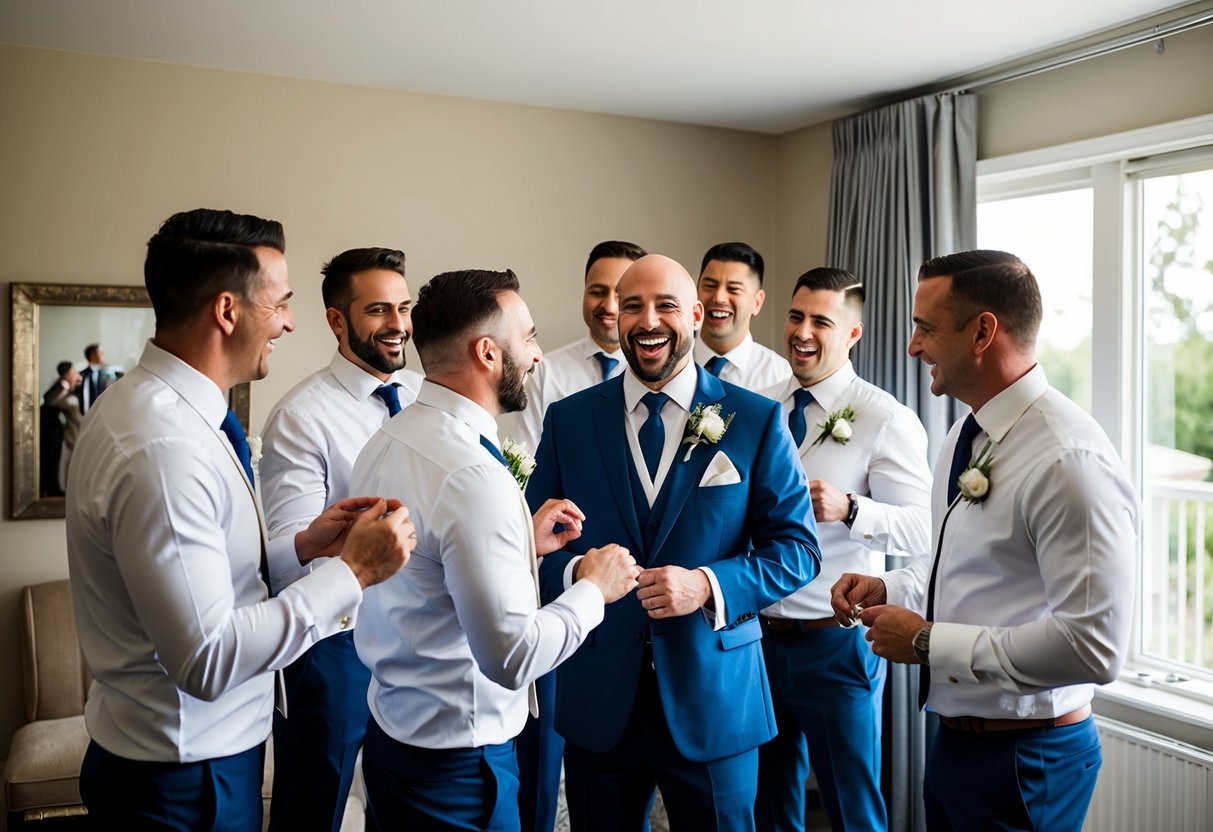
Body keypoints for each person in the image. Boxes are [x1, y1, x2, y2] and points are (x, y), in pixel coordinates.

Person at [65, 208, 415, 831]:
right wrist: (353, 575)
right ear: (227, 311)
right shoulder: (164, 447)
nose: (289, 321)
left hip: (193, 758)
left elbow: (215, 576)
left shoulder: (167, 410)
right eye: (279, 303)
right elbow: (206, 658)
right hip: (182, 777)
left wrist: (304, 548)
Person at [831, 250, 1137, 831]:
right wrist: (889, 584)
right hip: (954, 745)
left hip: (1028, 760)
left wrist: (926, 642)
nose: (912, 347)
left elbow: (1096, 645)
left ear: (983, 332)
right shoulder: (963, 436)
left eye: (925, 328)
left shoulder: (1068, 459)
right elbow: (960, 565)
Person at [529, 254, 821, 831]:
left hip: (716, 698)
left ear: (693, 314)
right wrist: (577, 574)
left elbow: (798, 550)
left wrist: (708, 585)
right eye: (632, 306)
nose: (647, 320)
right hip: (599, 697)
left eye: (665, 305)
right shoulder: (569, 420)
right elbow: (530, 546)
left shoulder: (756, 420)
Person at [351, 268, 642, 831]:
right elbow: (511, 659)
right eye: (528, 337)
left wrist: (517, 546)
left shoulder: (389, 439)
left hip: (392, 736)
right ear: (488, 352)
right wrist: (593, 590)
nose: (536, 356)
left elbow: (426, 572)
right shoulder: (472, 476)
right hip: (456, 769)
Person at [756, 268, 932, 832]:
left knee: (852, 809)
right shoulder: (761, 407)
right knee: (769, 806)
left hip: (834, 647)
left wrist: (854, 510)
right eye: (795, 316)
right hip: (757, 640)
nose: (802, 332)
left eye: (821, 322)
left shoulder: (884, 418)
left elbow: (926, 529)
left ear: (852, 334)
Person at [260, 247, 422, 832]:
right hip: (337, 647)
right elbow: (286, 555)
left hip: (418, 640)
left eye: (404, 307)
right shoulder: (301, 417)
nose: (399, 325)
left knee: (403, 804)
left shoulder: (425, 396)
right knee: (315, 806)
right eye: (379, 310)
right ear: (337, 320)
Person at [501, 238, 646, 832]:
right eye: (598, 291)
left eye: (624, 295)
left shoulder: (680, 386)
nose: (609, 306)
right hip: (566, 576)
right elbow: (532, 478)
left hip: (647, 594)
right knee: (549, 736)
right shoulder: (545, 372)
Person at [693, 242, 791, 391]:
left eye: (733, 289)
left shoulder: (779, 375)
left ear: (757, 302)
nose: (719, 298)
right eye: (710, 286)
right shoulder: (670, 361)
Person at [43, 360, 84, 492]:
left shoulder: (75, 388)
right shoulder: (61, 388)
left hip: (79, 426)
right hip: (72, 430)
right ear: (67, 374)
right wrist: (64, 386)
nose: (77, 374)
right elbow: (50, 401)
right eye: (73, 372)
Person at [79, 343, 110, 414]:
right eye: (100, 352)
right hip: (84, 414)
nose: (103, 354)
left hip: (102, 413)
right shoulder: (81, 375)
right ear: (92, 355)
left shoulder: (107, 374)